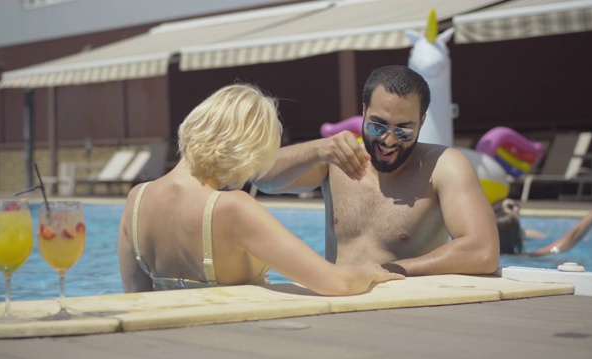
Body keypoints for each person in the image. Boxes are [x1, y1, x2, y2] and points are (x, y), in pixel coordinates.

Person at [118, 84, 404, 296]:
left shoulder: (136, 199)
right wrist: (369, 271)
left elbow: (135, 297)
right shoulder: (232, 208)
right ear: (245, 149)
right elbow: (335, 283)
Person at [254, 65, 500, 276]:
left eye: (404, 130)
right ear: (363, 112)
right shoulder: (337, 160)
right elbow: (262, 178)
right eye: (377, 126)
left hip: (403, 306)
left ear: (422, 122)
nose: (389, 140)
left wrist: (393, 271)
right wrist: (317, 149)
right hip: (338, 302)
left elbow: (483, 251)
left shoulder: (443, 166)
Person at [494, 196, 592, 255]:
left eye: (517, 205)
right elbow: (571, 238)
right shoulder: (524, 256)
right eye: (511, 207)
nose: (517, 209)